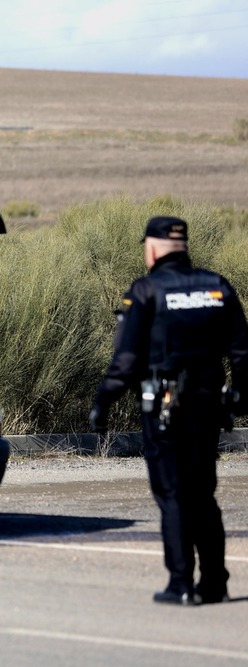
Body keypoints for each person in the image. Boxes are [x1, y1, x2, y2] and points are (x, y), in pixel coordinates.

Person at [90, 215, 248, 605]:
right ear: (185, 247)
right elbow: (243, 351)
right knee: (203, 493)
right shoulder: (217, 287)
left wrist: (103, 401)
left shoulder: (146, 292)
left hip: (165, 407)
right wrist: (241, 396)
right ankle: (214, 582)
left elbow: (125, 361)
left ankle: (180, 583)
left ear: (153, 249)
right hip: (209, 406)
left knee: (174, 494)